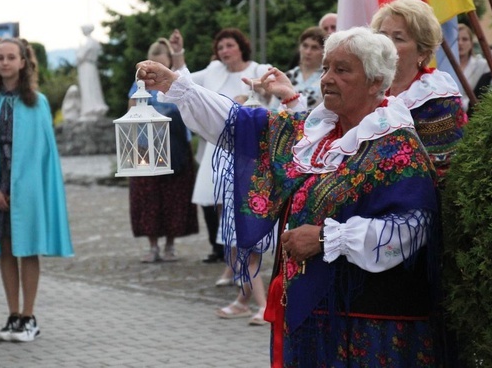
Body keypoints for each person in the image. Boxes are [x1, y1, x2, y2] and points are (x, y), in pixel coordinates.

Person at [136, 27, 442, 366]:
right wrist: (175, 86)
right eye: (326, 68)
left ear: (374, 82)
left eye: (342, 70)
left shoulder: (395, 144)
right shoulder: (318, 132)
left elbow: (413, 227)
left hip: (369, 327)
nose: (327, 78)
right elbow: (240, 124)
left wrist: (328, 239)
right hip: (314, 319)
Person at [0, 38, 74, 343]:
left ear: (22, 62)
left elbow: (42, 152)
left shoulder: (37, 102)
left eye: (10, 57)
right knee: (5, 248)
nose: (4, 62)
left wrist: (23, 187)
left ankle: (29, 317)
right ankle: (13, 314)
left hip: (27, 187)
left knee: (27, 249)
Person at [171, 27, 273, 324]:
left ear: (241, 47)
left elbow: (272, 98)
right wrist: (178, 53)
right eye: (221, 47)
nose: (225, 51)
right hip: (218, 153)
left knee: (245, 223)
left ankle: (251, 296)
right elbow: (184, 81)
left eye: (229, 45)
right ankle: (242, 289)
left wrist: (253, 94)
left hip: (251, 154)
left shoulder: (259, 69)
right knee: (224, 220)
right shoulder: (214, 70)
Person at [370, 0, 467, 181]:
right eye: (382, 36)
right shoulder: (369, 88)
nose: (386, 45)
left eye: (398, 38)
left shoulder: (436, 98)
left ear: (422, 51)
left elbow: (441, 172)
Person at [128, 38, 198, 263]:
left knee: (174, 196)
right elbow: (131, 109)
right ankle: (152, 246)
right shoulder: (138, 84)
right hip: (145, 147)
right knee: (148, 197)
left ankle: (170, 245)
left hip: (176, 147)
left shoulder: (178, 81)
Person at [285, 26, 325, 110]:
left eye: (314, 48)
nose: (308, 52)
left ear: (323, 51)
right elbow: (273, 108)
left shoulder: (326, 77)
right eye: (305, 46)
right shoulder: (287, 76)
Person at [76, 24, 109, 120]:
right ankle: (91, 108)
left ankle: (90, 109)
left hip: (87, 66)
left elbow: (80, 56)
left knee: (89, 88)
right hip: (91, 66)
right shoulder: (93, 42)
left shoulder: (89, 43)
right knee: (92, 87)